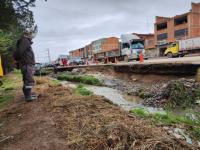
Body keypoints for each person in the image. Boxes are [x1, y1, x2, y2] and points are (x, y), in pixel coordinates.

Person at [13, 30, 37, 102]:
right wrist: (17, 60)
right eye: (30, 34)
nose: (32, 36)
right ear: (27, 34)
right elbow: (19, 52)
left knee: (28, 79)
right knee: (28, 80)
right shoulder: (24, 40)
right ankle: (28, 96)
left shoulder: (25, 41)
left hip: (27, 63)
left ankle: (28, 93)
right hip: (26, 64)